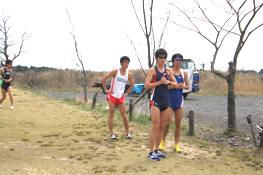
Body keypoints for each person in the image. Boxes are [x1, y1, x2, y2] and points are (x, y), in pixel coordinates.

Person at [144, 49, 178, 161]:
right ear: (156, 58)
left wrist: (167, 82)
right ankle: (150, 152)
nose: (163, 59)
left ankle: (157, 150)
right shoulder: (152, 70)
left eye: (164, 57)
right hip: (156, 100)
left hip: (166, 100)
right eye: (161, 57)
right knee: (155, 125)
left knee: (162, 126)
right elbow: (146, 86)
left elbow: (175, 84)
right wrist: (160, 82)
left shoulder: (168, 70)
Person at [159, 53, 189, 153]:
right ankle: (162, 141)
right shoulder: (168, 72)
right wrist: (174, 86)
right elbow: (165, 87)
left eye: (180, 60)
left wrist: (182, 87)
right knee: (167, 123)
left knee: (178, 123)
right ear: (173, 61)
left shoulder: (184, 73)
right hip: (169, 100)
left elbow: (188, 86)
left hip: (179, 100)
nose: (179, 62)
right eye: (177, 60)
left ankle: (176, 144)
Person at [101, 56, 134, 140]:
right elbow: (103, 79)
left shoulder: (128, 74)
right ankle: (112, 134)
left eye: (128, 62)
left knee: (124, 115)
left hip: (120, 97)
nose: (127, 64)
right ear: (121, 63)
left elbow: (132, 85)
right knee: (111, 114)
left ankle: (128, 133)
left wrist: (126, 94)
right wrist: (106, 90)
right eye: (125, 62)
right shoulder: (115, 71)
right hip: (112, 96)